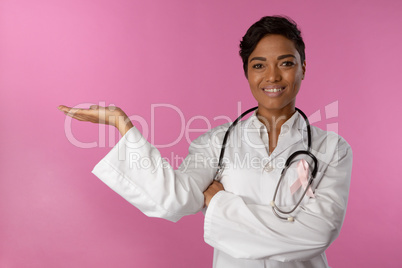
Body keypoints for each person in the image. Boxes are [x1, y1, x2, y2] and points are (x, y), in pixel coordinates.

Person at [58, 16, 353, 268]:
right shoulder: (217, 142)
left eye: (286, 63)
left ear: (303, 67)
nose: (272, 76)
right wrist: (123, 125)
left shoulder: (332, 149)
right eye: (259, 65)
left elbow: (317, 234)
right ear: (247, 73)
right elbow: (172, 198)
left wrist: (220, 204)